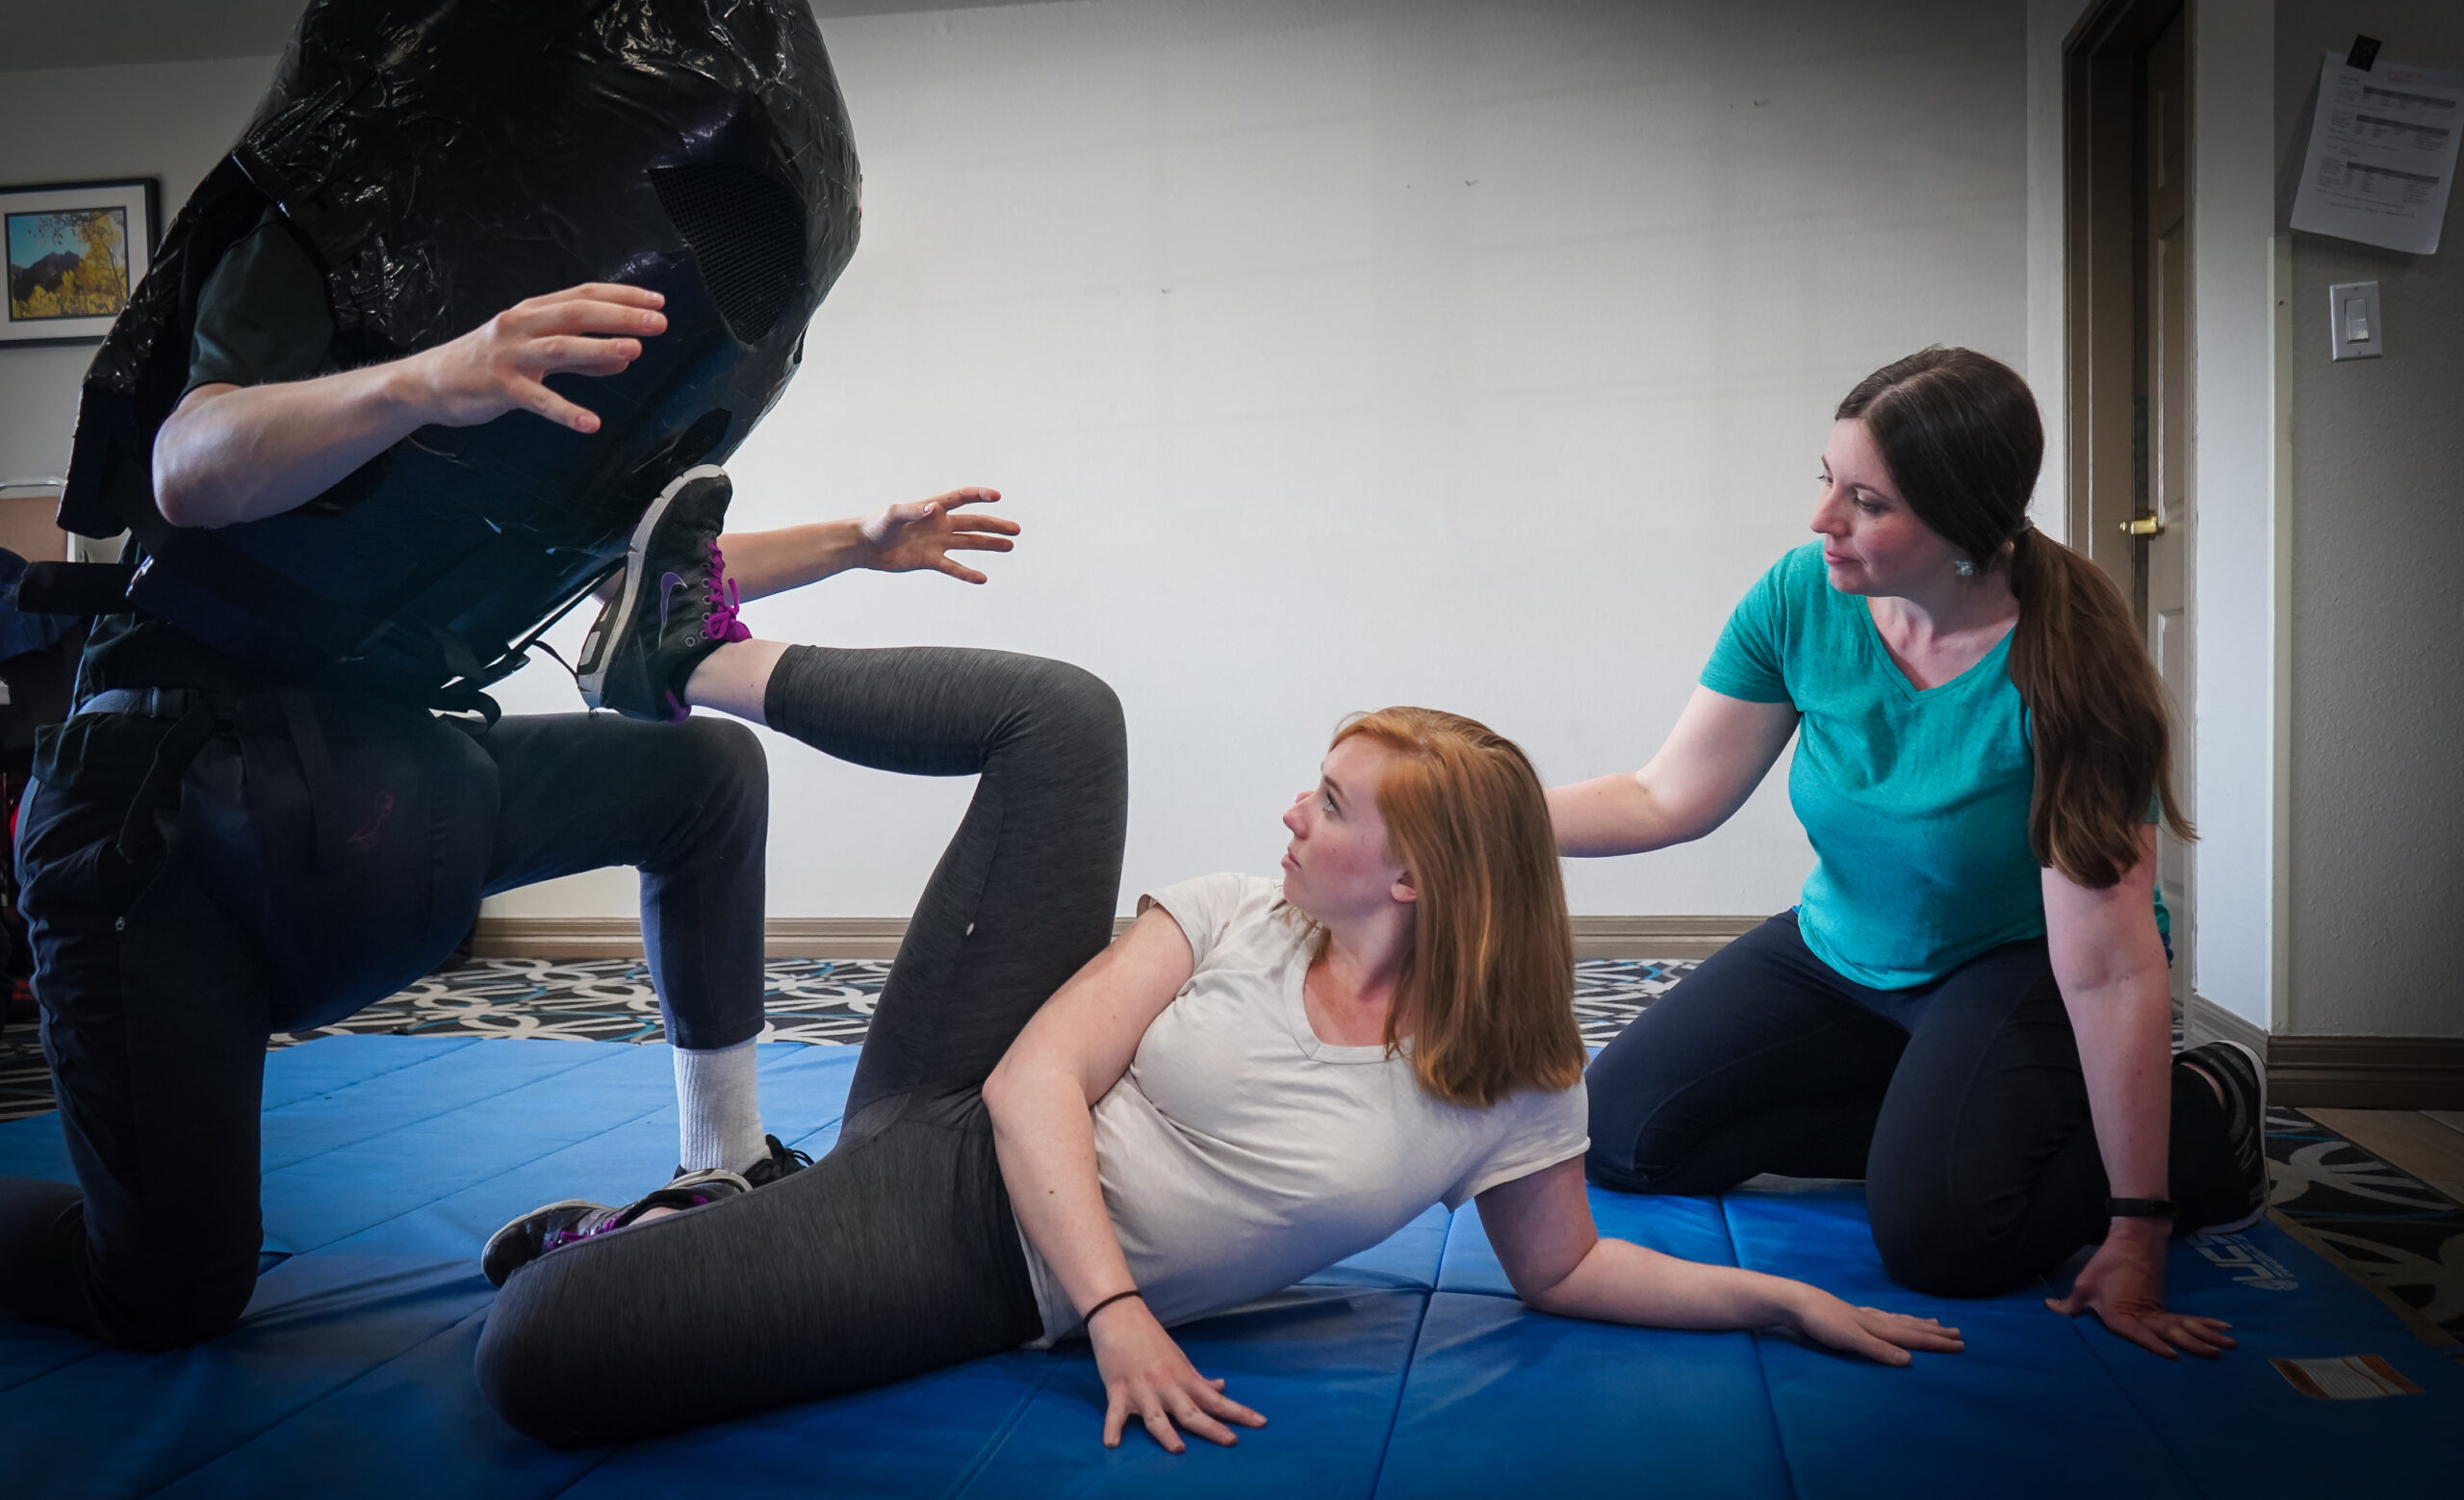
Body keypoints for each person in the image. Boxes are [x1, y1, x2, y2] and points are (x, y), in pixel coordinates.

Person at [0, 202, 1016, 1350]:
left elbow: (630, 580)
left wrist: (857, 541)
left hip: (382, 788)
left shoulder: (516, 404)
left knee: (702, 770)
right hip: (158, 834)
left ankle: (721, 1162)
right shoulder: (293, 263)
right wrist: (430, 378)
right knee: (166, 1293)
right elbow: (187, 469)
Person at [473, 707, 1963, 1451]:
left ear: (1425, 873)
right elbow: (1029, 1081)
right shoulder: (1239, 906)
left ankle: (699, 1214)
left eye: (1331, 800)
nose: (1292, 812)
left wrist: (1775, 1295)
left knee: (541, 1350)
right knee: (1064, 716)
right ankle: (697, 651)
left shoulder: (1513, 1070)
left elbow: (1563, 1266)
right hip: (962, 1166)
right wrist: (1120, 1316)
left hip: (989, 1269)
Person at [1548, 347, 2266, 1361]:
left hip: (2016, 961)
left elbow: (2103, 966)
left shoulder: (2073, 666)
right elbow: (1669, 794)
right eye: (1826, 481)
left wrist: (2139, 1219)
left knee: (1946, 1240)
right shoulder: (1802, 594)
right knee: (1619, 1133)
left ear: (1966, 523)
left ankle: (2202, 1113)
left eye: (1867, 502)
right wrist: (1471, 814)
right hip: (1843, 945)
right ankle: (1936, 1104)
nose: (1821, 520)